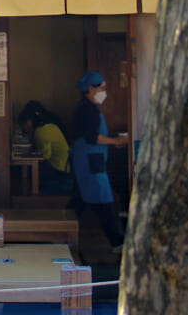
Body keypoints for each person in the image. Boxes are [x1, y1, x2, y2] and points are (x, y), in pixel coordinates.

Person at [69, 71, 129, 251]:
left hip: (90, 159)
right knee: (103, 199)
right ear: (90, 89)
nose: (105, 92)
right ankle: (116, 241)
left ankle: (59, 237)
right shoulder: (86, 109)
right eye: (102, 88)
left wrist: (113, 142)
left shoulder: (88, 108)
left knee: (80, 201)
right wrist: (116, 141)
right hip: (89, 161)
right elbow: (92, 137)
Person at [18, 101, 71, 194]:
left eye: (23, 126)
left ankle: (35, 195)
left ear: (29, 122)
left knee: (33, 170)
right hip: (66, 166)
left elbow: (45, 156)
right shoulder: (49, 123)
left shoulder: (41, 131)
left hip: (60, 170)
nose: (24, 129)